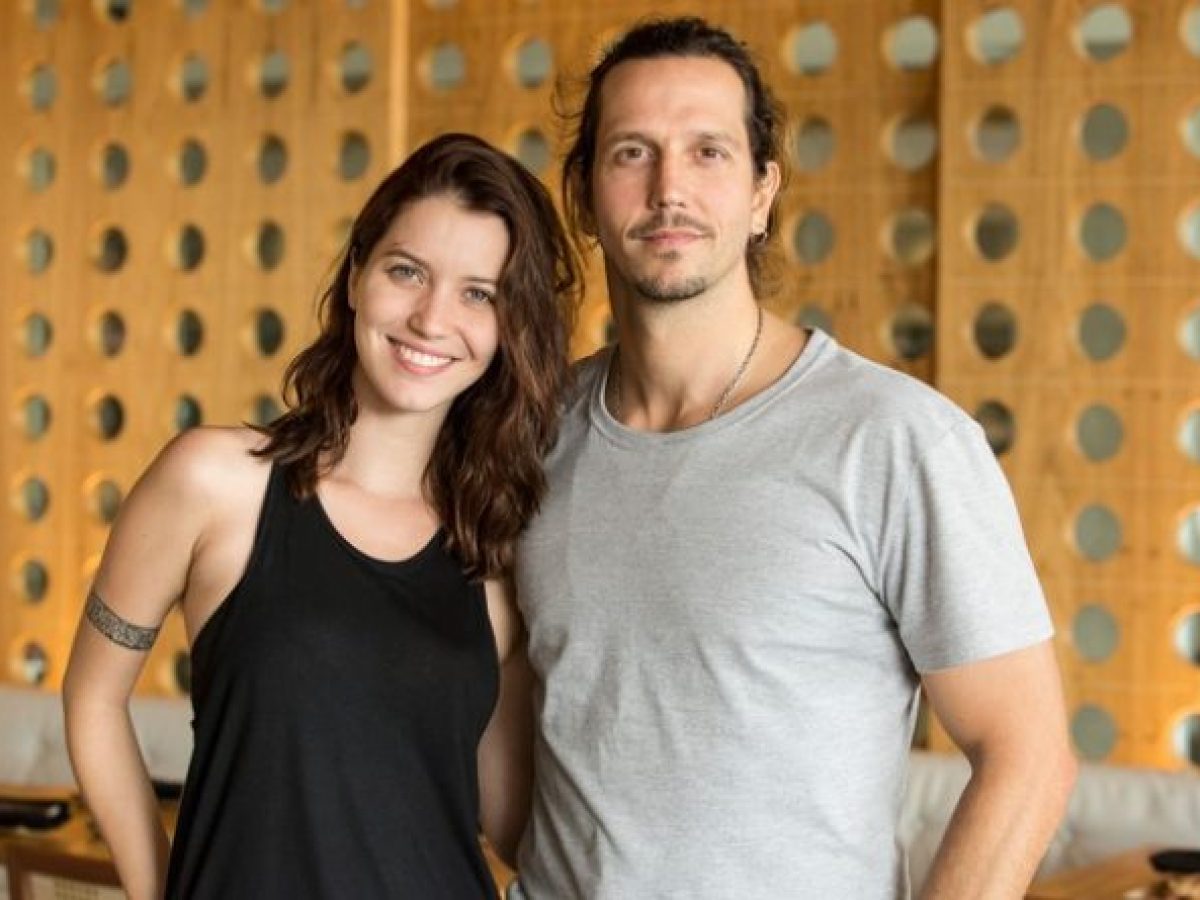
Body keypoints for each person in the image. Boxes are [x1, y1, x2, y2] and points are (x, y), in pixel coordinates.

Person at [513, 17, 1076, 899]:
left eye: (708, 152)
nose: (669, 188)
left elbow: (1028, 757)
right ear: (583, 194)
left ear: (762, 192)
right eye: (631, 153)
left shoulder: (893, 438)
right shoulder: (531, 438)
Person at [62, 132, 579, 900]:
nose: (432, 318)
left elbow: (513, 826)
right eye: (407, 271)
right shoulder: (215, 482)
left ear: (509, 329)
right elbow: (93, 697)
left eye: (480, 294)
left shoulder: (494, 552)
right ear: (357, 275)